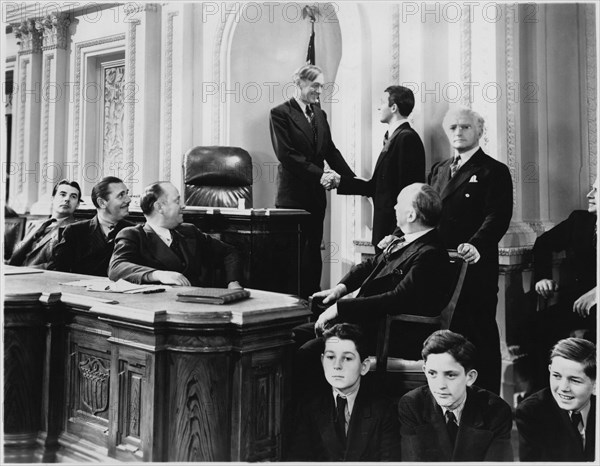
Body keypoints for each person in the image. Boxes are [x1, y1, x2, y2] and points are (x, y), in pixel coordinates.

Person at [293, 183, 452, 398]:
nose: (394, 207)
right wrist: (340, 290)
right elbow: (369, 266)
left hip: (391, 334)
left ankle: (320, 421)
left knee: (306, 354)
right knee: (290, 338)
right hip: (369, 326)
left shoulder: (429, 253)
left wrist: (340, 308)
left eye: (399, 203)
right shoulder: (407, 241)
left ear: (412, 215)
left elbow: (397, 299)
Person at [423, 106, 513, 394]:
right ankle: (448, 398)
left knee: (479, 334)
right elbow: (423, 213)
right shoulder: (438, 170)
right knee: (445, 337)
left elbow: (497, 216)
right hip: (438, 266)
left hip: (474, 266)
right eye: (453, 128)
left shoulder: (494, 171)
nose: (458, 133)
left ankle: (487, 402)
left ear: (480, 131)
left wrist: (476, 244)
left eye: (465, 127)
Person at [270, 64, 356, 298]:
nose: (319, 91)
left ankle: (312, 302)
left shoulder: (319, 113)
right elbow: (287, 155)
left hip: (315, 197)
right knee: (294, 255)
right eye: (315, 85)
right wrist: (321, 175)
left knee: (312, 254)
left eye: (322, 86)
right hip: (292, 197)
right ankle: (290, 305)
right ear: (299, 83)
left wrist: (354, 181)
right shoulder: (280, 113)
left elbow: (330, 151)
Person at [287, 323, 401, 461]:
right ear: (322, 361)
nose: (336, 366)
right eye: (330, 357)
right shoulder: (308, 407)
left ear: (364, 367)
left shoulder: (383, 409)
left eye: (347, 358)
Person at [398, 329, 513, 461]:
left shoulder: (496, 411)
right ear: (424, 371)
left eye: (450, 375)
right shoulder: (412, 405)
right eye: (432, 373)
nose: (440, 385)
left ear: (470, 377)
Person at [527, 181, 597, 390]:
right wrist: (543, 277)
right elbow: (543, 244)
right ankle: (546, 393)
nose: (588, 194)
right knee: (538, 326)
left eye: (596, 190)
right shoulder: (580, 220)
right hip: (577, 301)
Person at [337, 85, 425, 249]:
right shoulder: (395, 138)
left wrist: (397, 234)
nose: (378, 107)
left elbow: (409, 194)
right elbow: (377, 187)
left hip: (393, 235)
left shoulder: (407, 139)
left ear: (393, 107)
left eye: (381, 102)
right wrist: (339, 182)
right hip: (385, 232)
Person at [108, 181, 242, 288]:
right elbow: (116, 267)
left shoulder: (190, 231)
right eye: (177, 201)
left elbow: (229, 252)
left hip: (199, 304)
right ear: (159, 207)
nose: (183, 206)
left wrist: (233, 282)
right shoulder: (133, 235)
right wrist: (157, 275)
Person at [516, 337, 596, 461]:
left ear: (596, 384)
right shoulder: (531, 412)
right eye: (556, 376)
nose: (563, 388)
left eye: (574, 380)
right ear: (549, 370)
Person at [52, 176, 134, 276]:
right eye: (121, 195)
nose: (129, 199)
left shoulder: (135, 232)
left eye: (127, 193)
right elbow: (58, 273)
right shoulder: (75, 232)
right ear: (102, 203)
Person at [9, 179, 81, 268]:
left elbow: (60, 265)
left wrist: (23, 271)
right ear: (52, 199)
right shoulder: (34, 225)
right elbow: (16, 255)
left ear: (77, 204)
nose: (67, 199)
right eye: (62, 194)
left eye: (73, 196)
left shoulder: (76, 229)